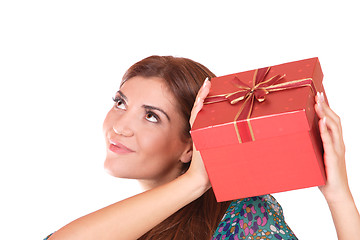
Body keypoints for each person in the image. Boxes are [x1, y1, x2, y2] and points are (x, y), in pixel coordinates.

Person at [45, 56, 360, 240]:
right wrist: (193, 183)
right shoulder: (124, 223)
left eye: (151, 116)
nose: (120, 126)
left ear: (188, 147)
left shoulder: (243, 216)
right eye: (120, 103)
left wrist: (339, 197)